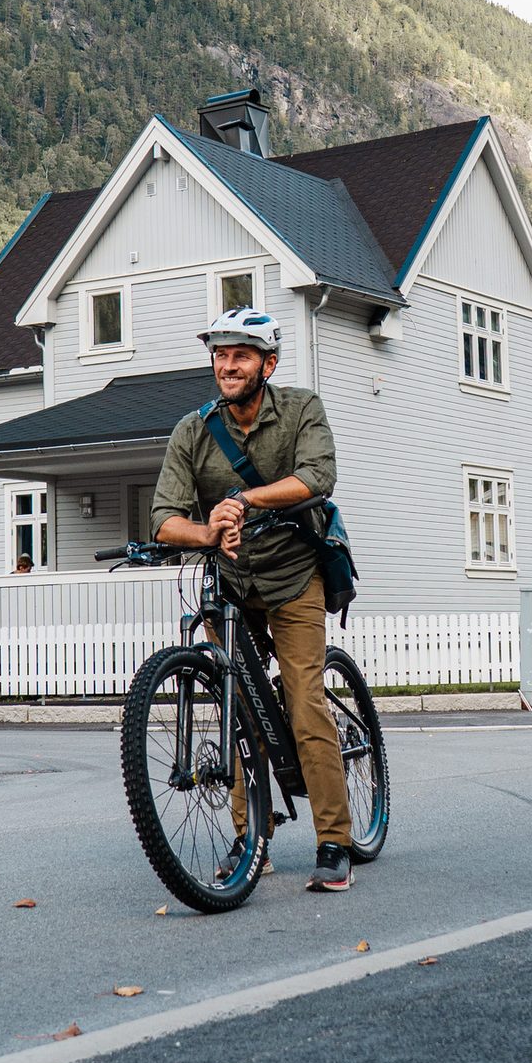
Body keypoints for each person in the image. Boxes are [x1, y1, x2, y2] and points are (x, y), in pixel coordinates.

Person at [150, 307, 355, 892]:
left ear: (268, 363)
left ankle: (334, 839)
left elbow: (317, 477)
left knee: (305, 700)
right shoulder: (193, 429)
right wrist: (207, 532)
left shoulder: (300, 409)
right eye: (220, 355)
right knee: (240, 706)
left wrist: (242, 500)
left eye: (240, 355)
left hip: (294, 577)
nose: (228, 365)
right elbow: (165, 518)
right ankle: (252, 838)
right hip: (232, 585)